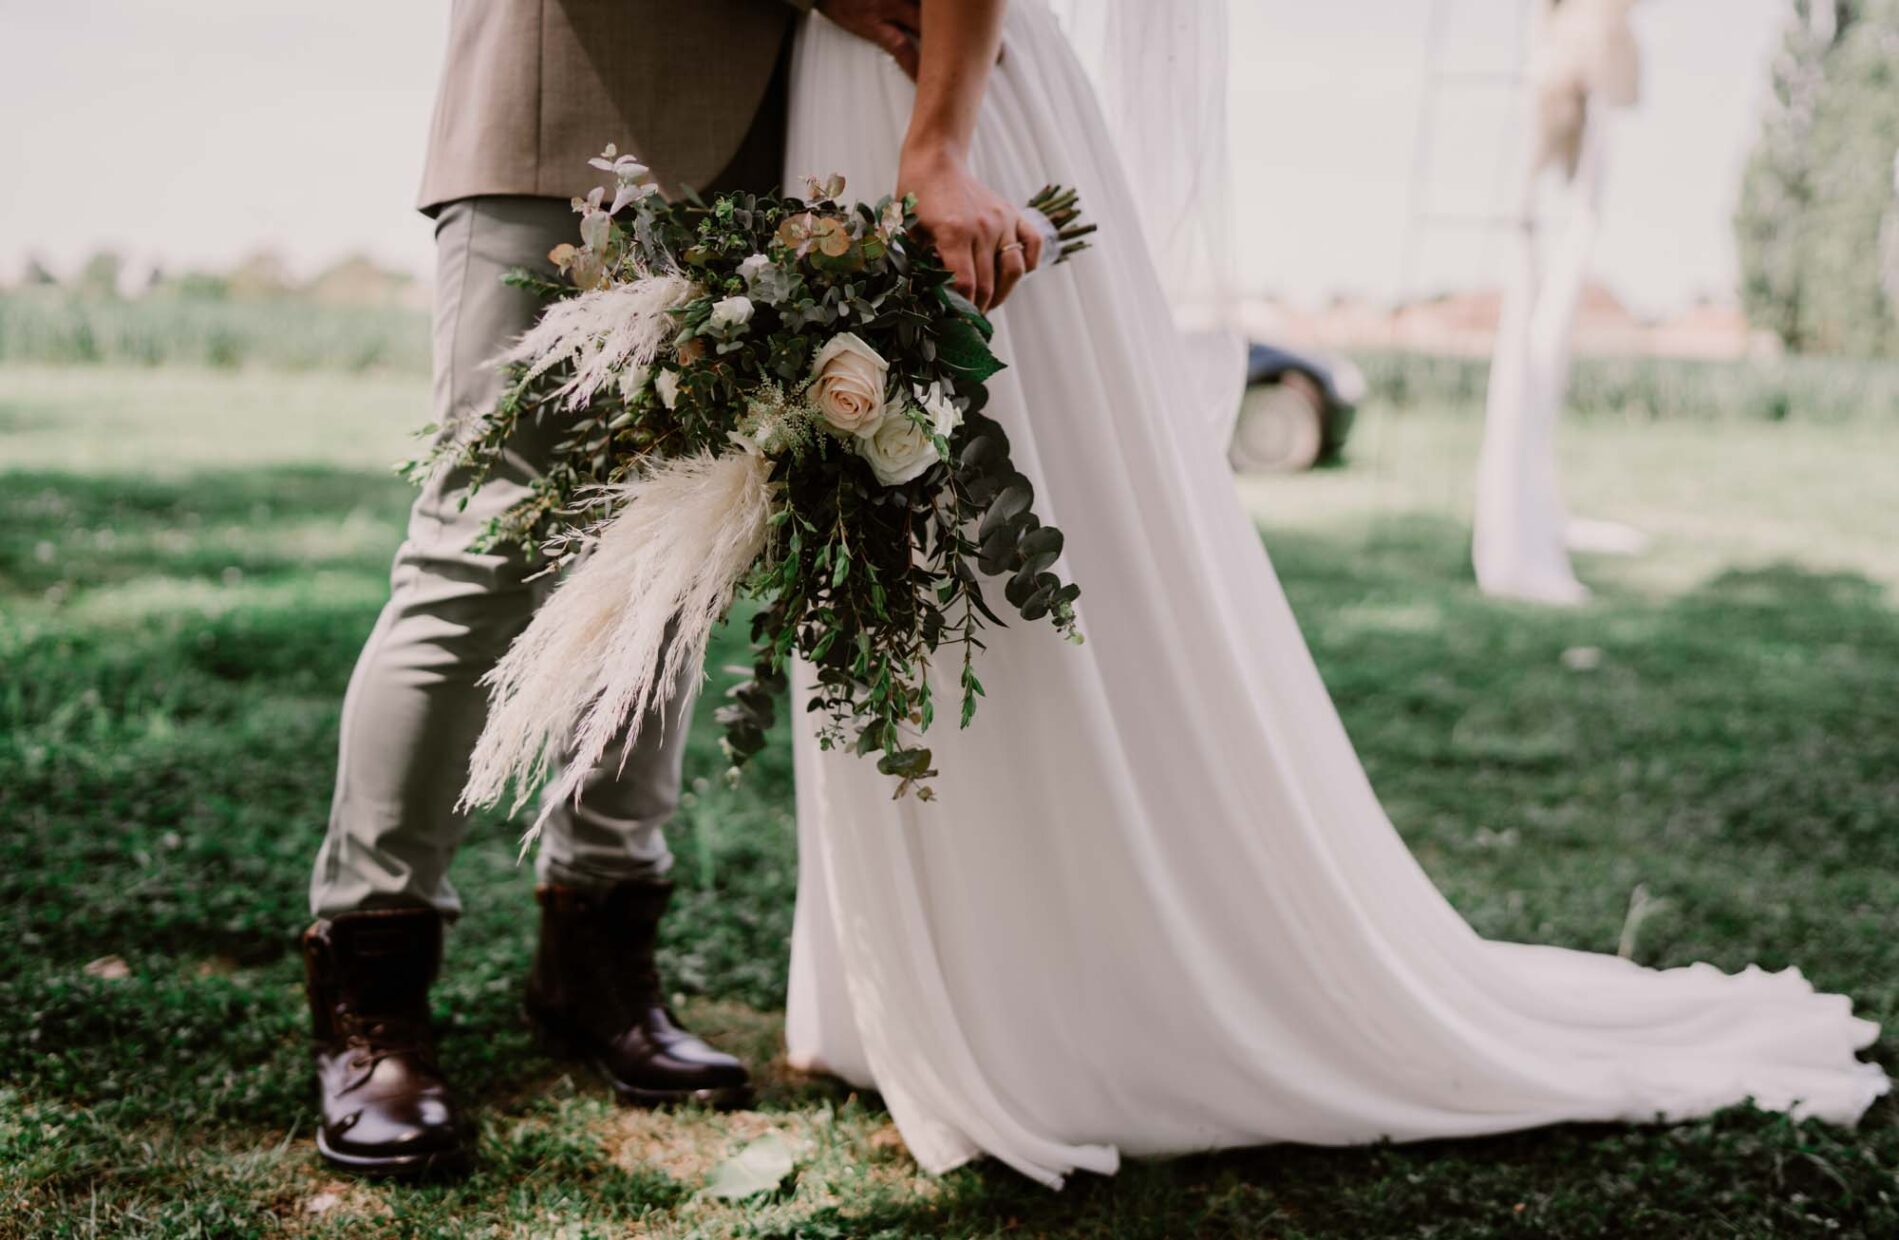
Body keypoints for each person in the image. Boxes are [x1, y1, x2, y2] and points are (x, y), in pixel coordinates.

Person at [781, 0, 1890, 1186]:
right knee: (895, 553)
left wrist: (938, 144)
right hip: (857, 93)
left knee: (1012, 562)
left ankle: (1068, 1001)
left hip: (941, 105)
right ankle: (906, 980)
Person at [300, 0, 922, 1178]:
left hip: (759, 151)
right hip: (563, 107)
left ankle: (597, 956)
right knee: (481, 544)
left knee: (671, 554)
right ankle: (370, 990)